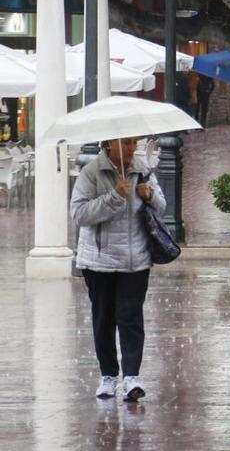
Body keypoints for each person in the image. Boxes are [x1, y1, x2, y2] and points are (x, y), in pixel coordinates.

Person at [70, 137, 167, 402]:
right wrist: (114, 196)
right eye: (126, 144)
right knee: (103, 318)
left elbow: (162, 206)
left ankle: (132, 377)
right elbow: (79, 214)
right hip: (99, 261)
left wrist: (149, 195)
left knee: (130, 317)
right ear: (109, 144)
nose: (131, 148)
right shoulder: (91, 173)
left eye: (133, 143)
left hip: (135, 259)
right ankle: (108, 376)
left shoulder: (141, 169)